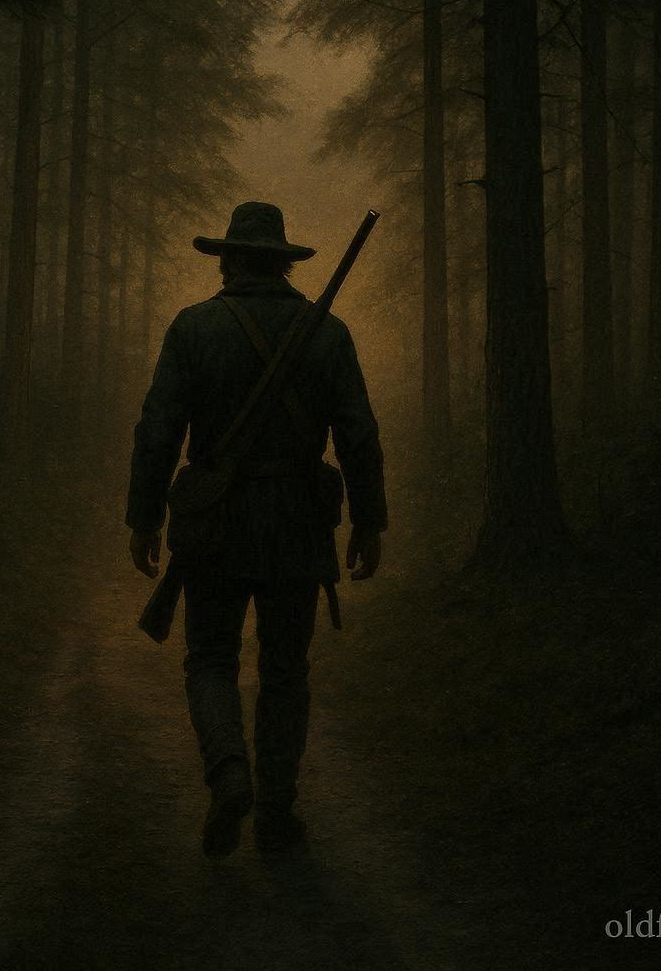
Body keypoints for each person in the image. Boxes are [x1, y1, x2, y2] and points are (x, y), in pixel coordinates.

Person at [125, 201, 388, 858]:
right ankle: (275, 813)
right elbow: (357, 432)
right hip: (299, 526)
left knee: (210, 659)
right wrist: (368, 520)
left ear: (230, 260)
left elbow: (159, 430)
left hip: (213, 527)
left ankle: (229, 775)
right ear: (283, 263)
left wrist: (146, 516)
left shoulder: (193, 329)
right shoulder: (328, 333)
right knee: (284, 672)